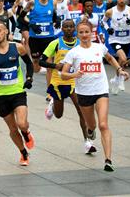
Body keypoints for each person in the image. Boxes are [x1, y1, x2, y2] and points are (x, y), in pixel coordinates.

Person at [61, 20, 130, 172]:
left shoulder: (99, 47)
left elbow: (110, 58)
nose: (84, 35)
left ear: (91, 32)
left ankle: (108, 160)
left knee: (103, 125)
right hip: (84, 93)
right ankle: (90, 132)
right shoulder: (74, 52)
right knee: (91, 125)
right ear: (77, 34)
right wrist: (75, 74)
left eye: (87, 32)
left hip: (101, 90)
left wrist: (119, 70)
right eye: (81, 32)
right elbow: (64, 75)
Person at [0, 21, 35, 166]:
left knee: (21, 123)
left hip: (17, 91)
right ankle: (23, 153)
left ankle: (26, 132)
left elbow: (29, 64)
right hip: (1, 96)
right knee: (12, 128)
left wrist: (29, 78)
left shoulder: (17, 47)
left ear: (6, 31)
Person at [39, 19, 96, 154]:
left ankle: (88, 142)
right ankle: (53, 105)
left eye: (71, 27)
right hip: (58, 83)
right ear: (62, 29)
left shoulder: (80, 43)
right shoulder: (55, 43)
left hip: (75, 83)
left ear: (74, 29)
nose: (69, 29)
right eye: (66, 27)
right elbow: (41, 61)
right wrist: (55, 66)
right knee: (59, 115)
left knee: (81, 112)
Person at [102, 0, 130, 93]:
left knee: (122, 61)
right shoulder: (110, 11)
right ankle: (121, 80)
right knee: (123, 58)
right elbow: (103, 21)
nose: (121, 0)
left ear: (126, 0)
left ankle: (116, 78)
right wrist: (108, 28)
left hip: (127, 39)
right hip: (115, 39)